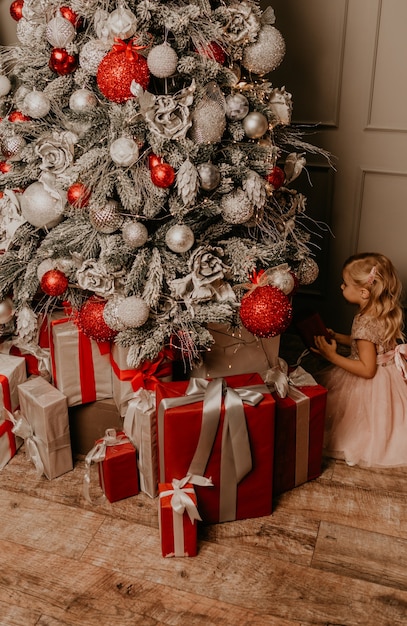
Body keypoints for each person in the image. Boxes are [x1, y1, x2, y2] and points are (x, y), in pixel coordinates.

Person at [312, 252, 407, 467]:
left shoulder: (365, 323)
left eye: (345, 284)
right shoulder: (380, 312)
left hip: (371, 382)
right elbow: (366, 345)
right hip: (388, 373)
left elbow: (367, 369)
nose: (341, 287)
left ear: (364, 292)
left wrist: (332, 356)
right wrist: (337, 336)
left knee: (358, 423)